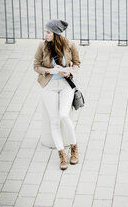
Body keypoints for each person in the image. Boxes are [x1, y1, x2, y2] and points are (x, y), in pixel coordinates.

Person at [33, 19, 81, 170]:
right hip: (49, 85)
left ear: (56, 33)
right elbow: (36, 66)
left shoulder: (70, 45)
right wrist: (51, 71)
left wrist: (70, 72)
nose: (45, 34)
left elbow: (77, 63)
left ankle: (74, 149)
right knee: (54, 120)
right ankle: (62, 154)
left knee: (64, 116)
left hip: (66, 85)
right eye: (46, 32)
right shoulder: (42, 45)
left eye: (48, 32)